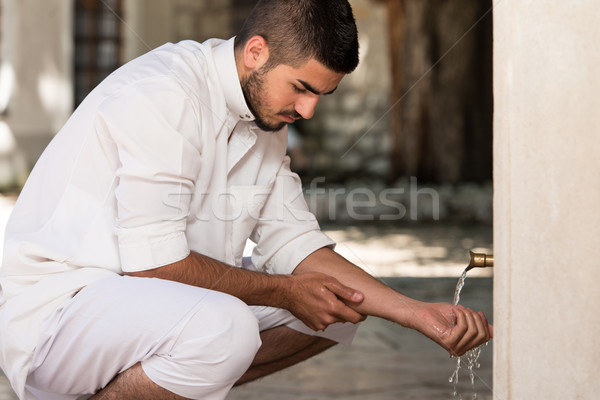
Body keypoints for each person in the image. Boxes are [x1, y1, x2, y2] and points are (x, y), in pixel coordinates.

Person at [0, 0, 492, 399]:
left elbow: (298, 246)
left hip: (141, 309)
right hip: (59, 312)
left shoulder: (265, 119)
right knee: (226, 326)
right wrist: (281, 291)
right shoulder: (164, 94)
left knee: (337, 310)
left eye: (322, 95)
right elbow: (156, 265)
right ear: (256, 52)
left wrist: (415, 313)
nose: (309, 110)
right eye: (301, 88)